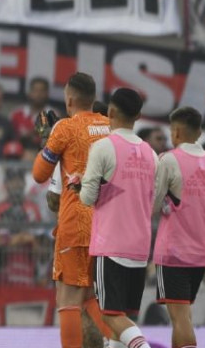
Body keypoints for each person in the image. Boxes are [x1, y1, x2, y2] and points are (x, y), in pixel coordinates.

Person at [30, 72, 114, 348]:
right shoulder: (110, 126)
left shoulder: (64, 128)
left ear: (69, 99)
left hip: (76, 222)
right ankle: (123, 342)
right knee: (91, 297)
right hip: (108, 225)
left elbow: (39, 174)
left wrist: (48, 142)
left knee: (67, 301)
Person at [78, 88, 158, 348]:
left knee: (111, 315)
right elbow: (153, 200)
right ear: (138, 116)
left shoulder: (102, 147)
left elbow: (88, 198)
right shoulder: (150, 153)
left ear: (110, 112)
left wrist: (79, 186)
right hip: (140, 245)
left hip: (111, 243)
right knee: (126, 316)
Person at [152, 107, 205, 348]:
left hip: (174, 251)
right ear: (199, 132)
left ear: (175, 131)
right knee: (183, 315)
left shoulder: (168, 159)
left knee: (180, 317)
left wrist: (167, 203)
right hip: (203, 251)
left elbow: (153, 205)